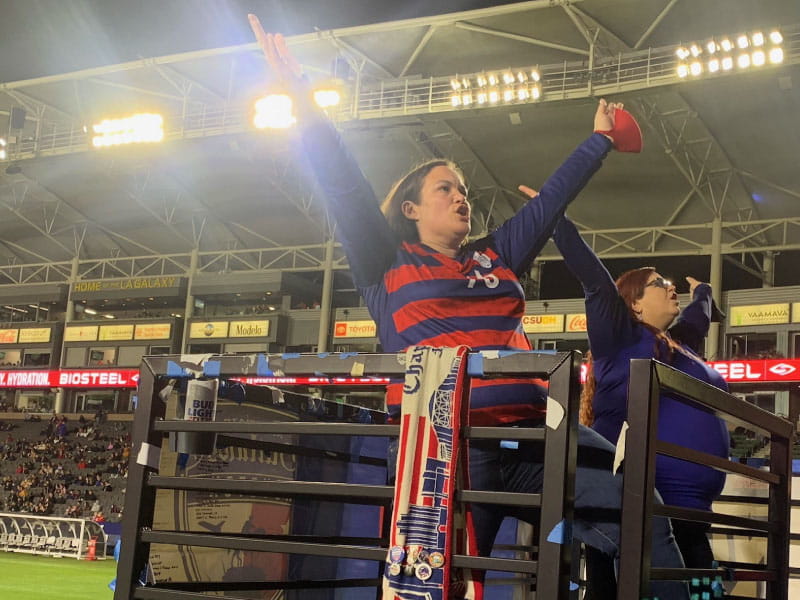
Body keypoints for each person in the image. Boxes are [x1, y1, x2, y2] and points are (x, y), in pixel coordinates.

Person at [248, 17, 688, 600]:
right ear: (410, 208)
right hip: (451, 451)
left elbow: (550, 203)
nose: (462, 197)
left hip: (541, 437)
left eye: (464, 191)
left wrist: (599, 139)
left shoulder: (496, 254)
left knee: (640, 511)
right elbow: (343, 184)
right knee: (448, 587)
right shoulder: (385, 261)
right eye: (445, 189)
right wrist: (302, 99)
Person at [550, 213, 730, 598]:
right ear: (632, 304)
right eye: (658, 283)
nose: (669, 287)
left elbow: (698, 316)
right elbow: (596, 283)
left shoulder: (678, 344)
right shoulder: (620, 337)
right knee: (619, 589)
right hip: (637, 503)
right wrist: (557, 222)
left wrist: (703, 292)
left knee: (697, 591)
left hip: (688, 512)